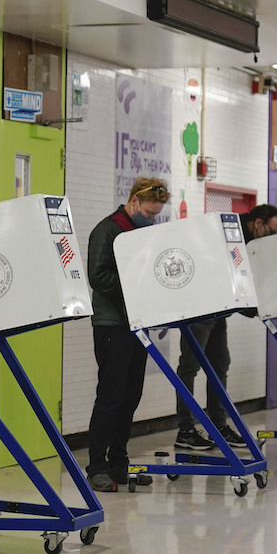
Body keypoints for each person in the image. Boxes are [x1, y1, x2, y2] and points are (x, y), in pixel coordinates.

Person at [173, 204, 277, 451]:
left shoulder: (247, 242)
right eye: (271, 231)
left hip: (218, 311)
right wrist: (251, 310)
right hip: (199, 309)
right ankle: (185, 430)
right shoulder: (227, 233)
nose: (271, 237)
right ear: (258, 223)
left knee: (220, 364)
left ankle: (218, 425)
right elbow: (223, 278)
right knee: (189, 366)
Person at [85, 177, 170, 492]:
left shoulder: (140, 233)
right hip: (112, 324)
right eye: (148, 212)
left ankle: (118, 463)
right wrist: (135, 285)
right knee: (110, 397)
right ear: (134, 202)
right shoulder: (107, 230)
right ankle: (96, 467)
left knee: (131, 396)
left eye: (156, 214)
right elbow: (98, 276)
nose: (151, 218)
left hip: (137, 323)